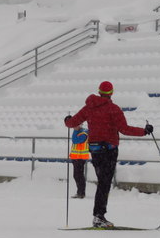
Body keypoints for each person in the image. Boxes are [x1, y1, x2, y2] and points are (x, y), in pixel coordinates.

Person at [64, 81, 153, 227]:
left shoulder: (89, 107)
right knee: (104, 183)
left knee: (102, 182)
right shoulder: (113, 109)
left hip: (95, 150)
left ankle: (99, 215)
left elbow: (72, 123)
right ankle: (99, 216)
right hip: (109, 150)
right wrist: (144, 131)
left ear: (99, 92)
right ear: (111, 93)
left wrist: (67, 120)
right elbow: (124, 129)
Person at [69, 125, 90, 199]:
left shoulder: (84, 132)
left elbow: (75, 140)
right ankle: (80, 192)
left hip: (80, 157)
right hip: (76, 157)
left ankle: (81, 193)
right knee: (77, 175)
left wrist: (75, 130)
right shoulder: (79, 131)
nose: (74, 127)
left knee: (79, 176)